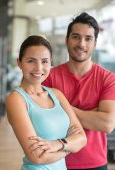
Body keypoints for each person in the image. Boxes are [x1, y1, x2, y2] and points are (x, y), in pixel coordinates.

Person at [38, 12, 115, 170]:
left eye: (88, 38)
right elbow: (41, 120)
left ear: (95, 43)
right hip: (55, 162)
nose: (81, 43)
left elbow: (107, 124)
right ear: (67, 40)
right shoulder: (48, 78)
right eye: (75, 36)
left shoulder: (108, 79)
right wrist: (93, 115)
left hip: (95, 163)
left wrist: (62, 108)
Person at [6, 35, 87, 170]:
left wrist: (58, 144)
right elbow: (37, 156)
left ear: (50, 63)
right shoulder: (16, 99)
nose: (38, 68)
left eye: (44, 61)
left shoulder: (57, 94)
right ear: (19, 63)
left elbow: (82, 138)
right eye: (31, 61)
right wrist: (69, 148)